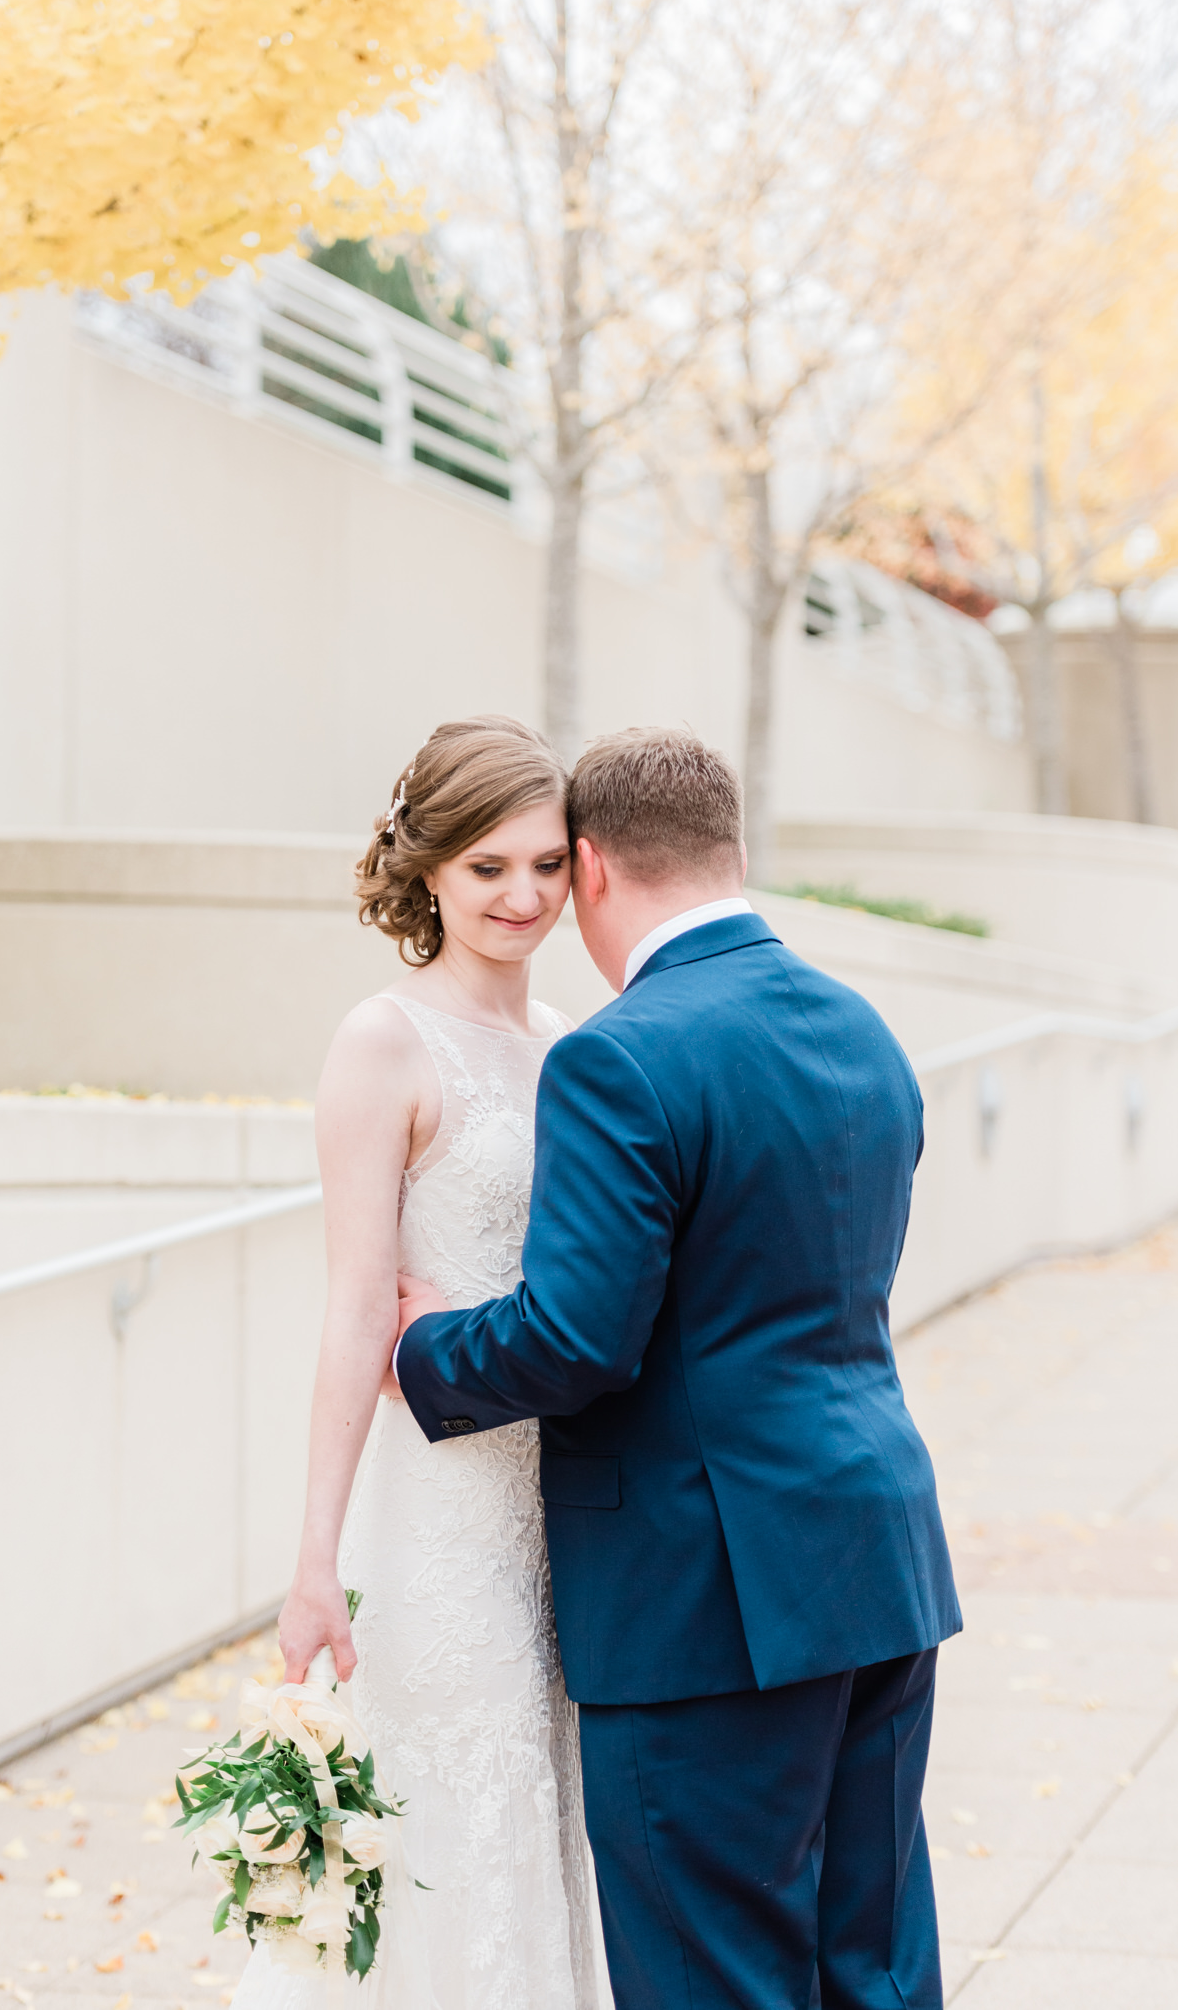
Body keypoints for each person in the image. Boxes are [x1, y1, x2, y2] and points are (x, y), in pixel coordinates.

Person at [394, 727, 962, 2010]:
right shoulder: (861, 1028)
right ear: (732, 850)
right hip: (875, 1563)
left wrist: (422, 1347)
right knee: (871, 1967)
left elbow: (576, 1340)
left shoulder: (620, 1054)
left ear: (590, 868)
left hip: (703, 1605)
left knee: (713, 1978)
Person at [237, 715, 605, 2010]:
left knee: (543, 1812)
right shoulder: (381, 1042)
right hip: (441, 1517)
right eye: (487, 868)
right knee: (457, 1812)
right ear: (428, 870)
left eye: (547, 867)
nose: (523, 897)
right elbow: (351, 1312)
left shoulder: (570, 1041)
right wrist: (313, 1567)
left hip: (563, 1502)